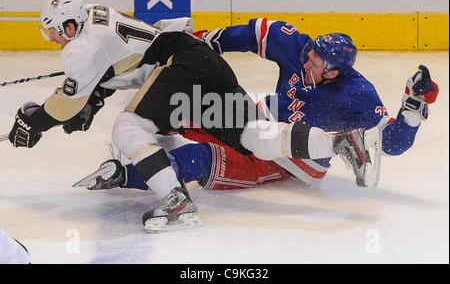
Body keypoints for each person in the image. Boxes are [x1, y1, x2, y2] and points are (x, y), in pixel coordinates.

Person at [7, 0, 370, 232]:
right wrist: (92, 100)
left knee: (130, 128)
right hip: (199, 59)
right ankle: (336, 143)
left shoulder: (79, 49)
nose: (53, 39)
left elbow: (66, 102)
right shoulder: (96, 15)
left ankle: (175, 201)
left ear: (70, 26)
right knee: (251, 135)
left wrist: (33, 121)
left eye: (54, 32)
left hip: (177, 66)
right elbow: (112, 65)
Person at [79, 18, 439, 194]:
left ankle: (127, 176)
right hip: (265, 117)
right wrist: (207, 42)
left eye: (315, 64)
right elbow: (258, 32)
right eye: (308, 56)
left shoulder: (357, 94)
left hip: (293, 161)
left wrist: (411, 108)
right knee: (183, 106)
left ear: (333, 73)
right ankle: (149, 144)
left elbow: (390, 143)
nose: (306, 63)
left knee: (204, 158)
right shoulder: (301, 51)